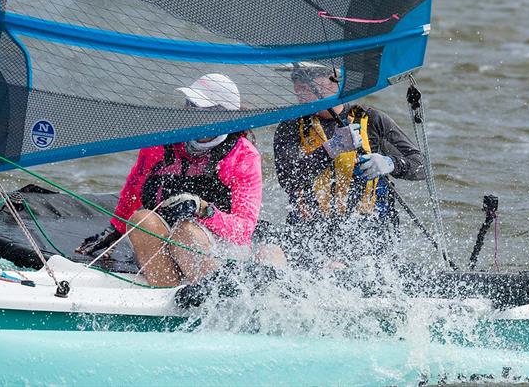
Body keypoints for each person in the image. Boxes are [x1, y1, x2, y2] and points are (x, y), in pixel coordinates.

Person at [76, 74, 262, 287]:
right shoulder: (162, 141)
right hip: (168, 237)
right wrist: (116, 229)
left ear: (224, 116)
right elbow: (135, 187)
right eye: (189, 104)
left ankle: (212, 295)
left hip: (219, 248)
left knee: (186, 232)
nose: (190, 112)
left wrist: (202, 209)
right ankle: (168, 293)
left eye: (200, 107)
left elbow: (244, 230)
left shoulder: (244, 156)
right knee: (140, 220)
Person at [272, 63, 425, 265]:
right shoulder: (290, 127)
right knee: (270, 255)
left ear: (334, 81)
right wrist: (329, 150)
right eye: (297, 82)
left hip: (365, 232)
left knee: (336, 267)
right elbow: (288, 180)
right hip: (309, 231)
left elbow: (421, 166)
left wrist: (391, 163)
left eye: (309, 81)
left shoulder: (372, 120)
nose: (299, 88)